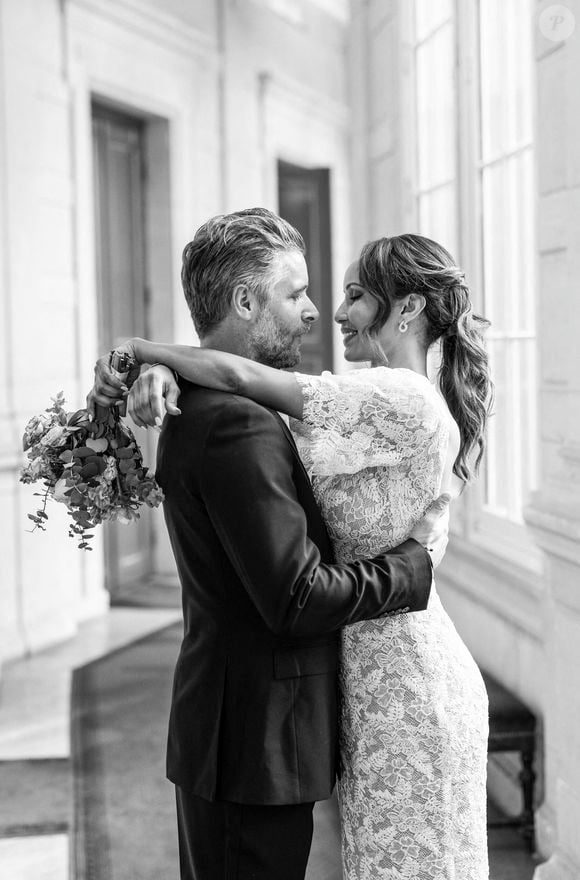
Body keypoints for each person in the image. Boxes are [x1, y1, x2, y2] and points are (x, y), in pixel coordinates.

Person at [98, 229, 493, 880]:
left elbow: (235, 374)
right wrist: (164, 369)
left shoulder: (398, 399)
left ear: (408, 309)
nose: (326, 312)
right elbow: (235, 380)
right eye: (301, 293)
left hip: (404, 683)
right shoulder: (267, 412)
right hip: (307, 708)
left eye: (352, 295)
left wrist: (142, 352)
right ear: (245, 302)